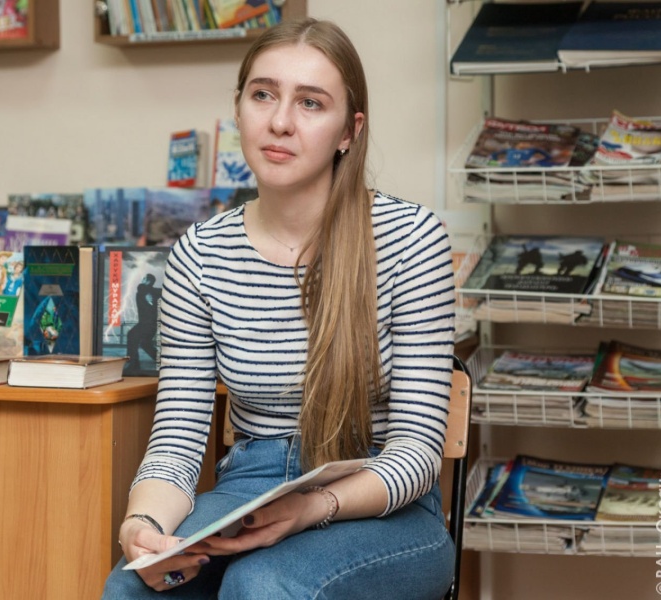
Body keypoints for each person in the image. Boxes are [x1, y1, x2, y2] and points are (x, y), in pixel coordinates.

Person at [103, 18, 456, 599]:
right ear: (238, 108)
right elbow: (176, 442)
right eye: (263, 94)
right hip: (250, 489)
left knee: (262, 585)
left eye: (310, 103)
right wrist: (141, 526)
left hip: (380, 500)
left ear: (349, 131)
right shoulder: (200, 253)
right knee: (132, 590)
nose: (280, 121)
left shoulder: (411, 239)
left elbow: (417, 452)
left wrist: (313, 506)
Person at [125, 272, 162, 373]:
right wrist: (146, 294)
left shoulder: (144, 289)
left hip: (146, 324)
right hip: (152, 325)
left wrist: (146, 293)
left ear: (148, 281)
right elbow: (143, 289)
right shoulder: (152, 291)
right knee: (145, 343)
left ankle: (134, 364)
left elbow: (141, 287)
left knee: (131, 335)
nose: (142, 280)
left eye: (144, 278)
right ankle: (160, 359)